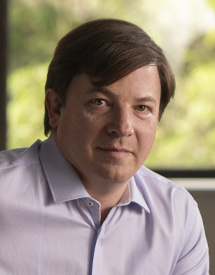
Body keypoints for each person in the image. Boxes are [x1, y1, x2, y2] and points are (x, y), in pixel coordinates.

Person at [0, 19, 209, 274]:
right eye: (100, 102)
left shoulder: (179, 215)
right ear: (55, 107)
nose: (122, 127)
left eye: (142, 108)